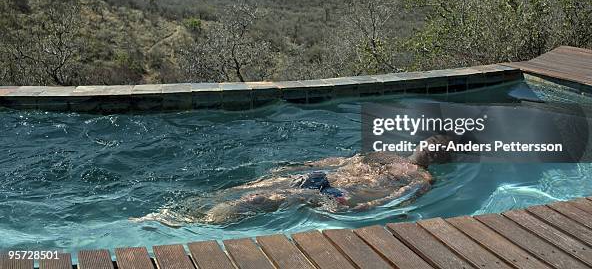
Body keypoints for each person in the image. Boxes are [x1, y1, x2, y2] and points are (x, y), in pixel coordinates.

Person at [132, 135, 451, 226]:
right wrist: (358, 208)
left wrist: (296, 166)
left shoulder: (383, 154)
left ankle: (178, 213)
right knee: (262, 199)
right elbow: (397, 202)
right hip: (337, 190)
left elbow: (339, 161)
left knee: (255, 192)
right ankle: (197, 222)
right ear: (436, 157)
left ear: (418, 146)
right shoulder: (424, 177)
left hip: (325, 178)